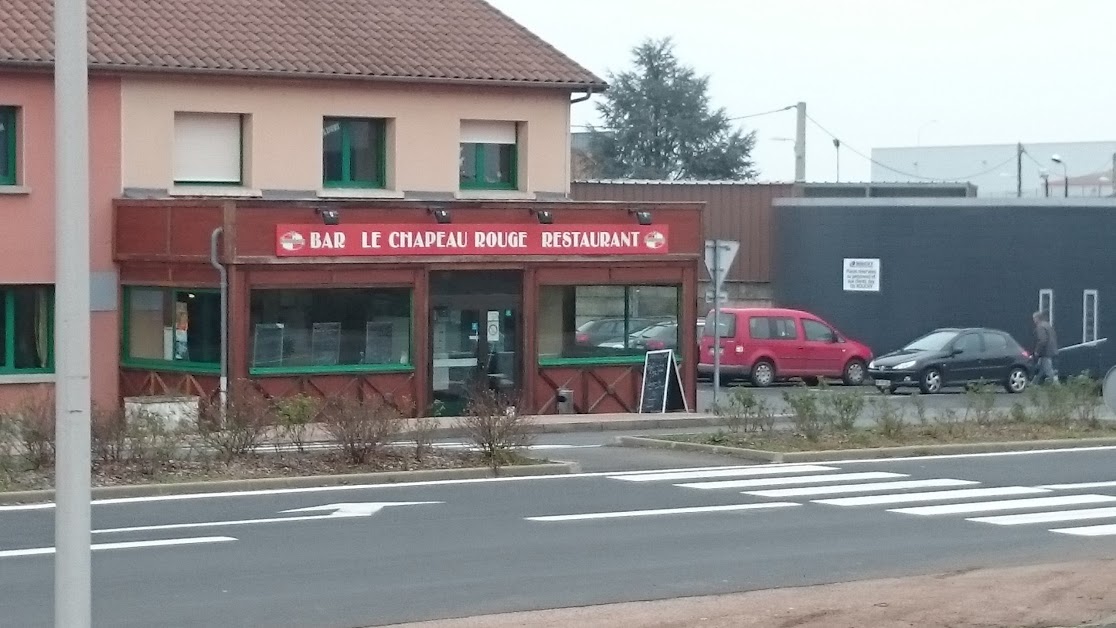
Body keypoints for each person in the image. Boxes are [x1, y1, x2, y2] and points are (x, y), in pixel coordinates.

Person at [1032, 310, 1059, 384]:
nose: (1033, 320)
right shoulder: (1048, 325)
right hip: (1053, 351)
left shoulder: (1040, 327)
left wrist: (1037, 351)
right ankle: (1033, 384)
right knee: (1041, 369)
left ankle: (1057, 387)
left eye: (1034, 318)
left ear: (1037, 318)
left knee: (1048, 370)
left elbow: (1042, 340)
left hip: (1045, 352)